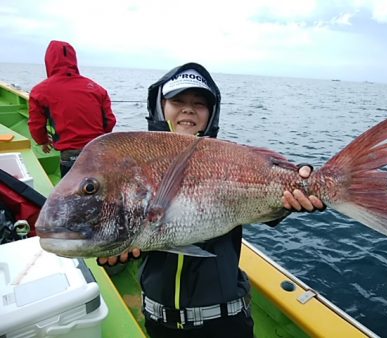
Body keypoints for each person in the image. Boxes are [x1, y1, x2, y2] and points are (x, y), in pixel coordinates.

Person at [98, 62, 324, 337]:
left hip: (225, 322)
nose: (188, 108)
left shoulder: (228, 160)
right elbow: (132, 234)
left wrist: (298, 192)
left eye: (199, 103)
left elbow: (267, 206)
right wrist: (113, 253)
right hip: (158, 319)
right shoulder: (135, 165)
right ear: (161, 106)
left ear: (211, 113)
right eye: (178, 100)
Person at [28, 40, 117, 177]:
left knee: (71, 195)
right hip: (98, 152)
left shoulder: (39, 91)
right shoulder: (97, 89)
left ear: (49, 61)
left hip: (70, 156)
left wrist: (43, 141)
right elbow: (109, 121)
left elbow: (36, 125)